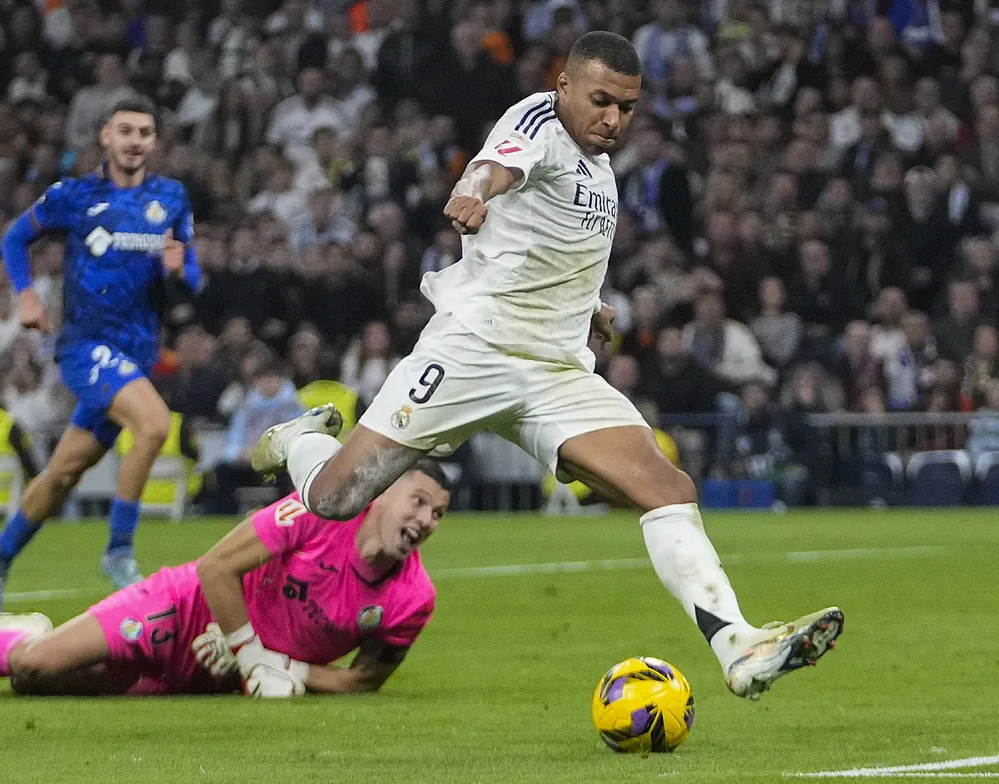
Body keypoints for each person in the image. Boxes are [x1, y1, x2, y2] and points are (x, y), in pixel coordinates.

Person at [251, 32, 842, 702]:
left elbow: (553, 244)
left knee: (667, 486)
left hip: (556, 371)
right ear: (563, 87)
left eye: (626, 107)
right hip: (475, 349)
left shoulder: (602, 170)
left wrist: (593, 305)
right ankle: (300, 439)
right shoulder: (536, 121)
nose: (614, 119)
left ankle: (737, 644)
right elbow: (495, 167)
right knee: (334, 499)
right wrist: (472, 190)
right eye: (600, 101)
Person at [0, 460, 451, 699]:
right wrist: (253, 653)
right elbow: (215, 568)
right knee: (35, 667)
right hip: (183, 609)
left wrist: (284, 672)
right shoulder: (317, 511)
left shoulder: (412, 598)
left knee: (41, 686)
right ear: (384, 492)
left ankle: (21, 627)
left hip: (218, 671)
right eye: (418, 502)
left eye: (438, 514)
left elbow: (363, 680)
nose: (424, 521)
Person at [0, 96, 203, 611]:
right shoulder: (74, 195)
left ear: (154, 142)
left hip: (136, 355)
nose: (134, 140)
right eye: (125, 130)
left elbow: (190, 280)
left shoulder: (171, 199)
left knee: (61, 474)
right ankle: (119, 551)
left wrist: (177, 270)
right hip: (85, 348)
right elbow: (15, 239)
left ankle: (0, 557)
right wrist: (27, 295)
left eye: (144, 132)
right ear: (105, 137)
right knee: (154, 426)